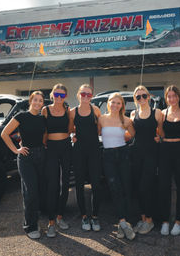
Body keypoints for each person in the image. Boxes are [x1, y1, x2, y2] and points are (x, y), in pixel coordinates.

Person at [1, 91, 46, 239]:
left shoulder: (42, 118)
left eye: (41, 101)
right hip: (26, 157)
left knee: (39, 190)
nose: (38, 103)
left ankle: (36, 219)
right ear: (30, 101)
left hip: (41, 155)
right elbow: (4, 133)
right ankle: (30, 226)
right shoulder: (21, 116)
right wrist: (16, 150)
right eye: (36, 100)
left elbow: (44, 137)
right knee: (30, 192)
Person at [98, 92, 136, 240]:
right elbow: (96, 134)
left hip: (123, 154)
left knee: (126, 187)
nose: (115, 105)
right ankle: (123, 222)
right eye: (112, 102)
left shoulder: (126, 120)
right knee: (115, 188)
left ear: (122, 106)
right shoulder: (101, 119)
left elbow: (133, 136)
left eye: (118, 103)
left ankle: (124, 223)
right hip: (108, 156)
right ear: (108, 103)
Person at [130, 86, 163, 235]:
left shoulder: (157, 113)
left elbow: (162, 132)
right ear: (135, 100)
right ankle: (143, 218)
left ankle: (150, 220)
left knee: (146, 186)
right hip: (136, 153)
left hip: (151, 153)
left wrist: (160, 138)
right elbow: (130, 133)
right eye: (138, 97)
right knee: (137, 186)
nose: (141, 99)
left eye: (144, 96)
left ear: (149, 97)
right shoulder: (133, 113)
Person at [158, 85, 180, 236]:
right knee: (164, 187)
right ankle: (165, 221)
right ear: (166, 98)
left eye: (174, 96)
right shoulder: (162, 114)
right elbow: (161, 133)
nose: (172, 99)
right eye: (169, 96)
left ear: (179, 97)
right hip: (165, 152)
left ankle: (178, 221)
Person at [69, 84, 102, 232]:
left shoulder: (95, 110)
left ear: (92, 96)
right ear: (78, 95)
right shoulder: (73, 112)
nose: (86, 97)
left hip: (94, 150)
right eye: (83, 94)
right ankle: (84, 216)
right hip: (78, 151)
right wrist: (74, 136)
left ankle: (95, 216)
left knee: (96, 183)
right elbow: (70, 129)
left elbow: (100, 129)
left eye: (89, 94)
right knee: (79, 183)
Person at [42, 84, 72, 238]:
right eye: (56, 94)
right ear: (52, 94)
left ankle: (60, 216)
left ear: (65, 96)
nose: (59, 98)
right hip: (51, 148)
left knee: (65, 182)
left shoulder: (67, 110)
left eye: (62, 95)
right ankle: (51, 222)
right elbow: (43, 131)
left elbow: (71, 128)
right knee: (53, 184)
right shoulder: (45, 110)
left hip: (66, 147)